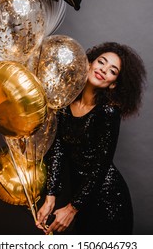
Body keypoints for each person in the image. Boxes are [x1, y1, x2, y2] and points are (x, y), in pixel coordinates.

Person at [36, 42, 146, 235]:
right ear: (88, 64)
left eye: (112, 71)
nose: (103, 70)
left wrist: (72, 208)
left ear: (113, 84)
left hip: (108, 199)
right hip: (80, 198)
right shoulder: (65, 101)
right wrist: (50, 196)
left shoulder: (108, 112)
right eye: (101, 62)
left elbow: (100, 166)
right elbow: (58, 148)